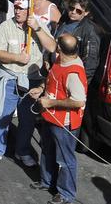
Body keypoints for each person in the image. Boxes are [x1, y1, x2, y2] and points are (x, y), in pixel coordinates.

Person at [0, 0, 56, 168]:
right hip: (10, 77)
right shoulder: (5, 26)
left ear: (29, 10)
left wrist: (38, 29)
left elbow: (53, 47)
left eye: (21, 9)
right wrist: (16, 57)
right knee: (2, 116)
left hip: (32, 81)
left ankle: (22, 150)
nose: (17, 11)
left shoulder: (38, 25)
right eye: (16, 8)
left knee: (28, 120)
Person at [30, 33, 87, 204]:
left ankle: (66, 194)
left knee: (65, 159)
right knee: (47, 150)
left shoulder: (74, 71)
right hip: (51, 117)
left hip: (64, 123)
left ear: (60, 48)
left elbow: (78, 100)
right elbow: (52, 80)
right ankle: (47, 181)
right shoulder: (60, 60)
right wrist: (41, 89)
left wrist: (50, 102)